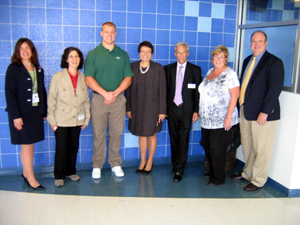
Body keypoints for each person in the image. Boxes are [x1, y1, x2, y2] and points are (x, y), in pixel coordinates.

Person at [231, 30, 284, 191]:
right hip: (246, 110)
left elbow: (275, 89)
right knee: (247, 146)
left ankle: (259, 179)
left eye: (260, 41)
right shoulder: (248, 60)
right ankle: (248, 173)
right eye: (254, 41)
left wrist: (265, 111)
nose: (256, 44)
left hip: (263, 114)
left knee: (262, 149)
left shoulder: (274, 62)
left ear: (266, 43)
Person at [84, 22, 133, 179]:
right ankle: (97, 165)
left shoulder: (123, 54)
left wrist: (115, 94)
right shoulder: (93, 54)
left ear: (116, 34)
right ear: (101, 33)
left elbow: (128, 78)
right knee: (98, 134)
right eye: (106, 32)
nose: (109, 35)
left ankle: (115, 163)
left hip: (118, 100)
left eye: (112, 32)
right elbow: (88, 79)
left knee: (116, 133)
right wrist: (105, 94)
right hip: (99, 100)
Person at [5, 38, 47, 190]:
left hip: (35, 112)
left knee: (31, 144)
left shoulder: (37, 68)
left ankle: (25, 172)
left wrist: (43, 111)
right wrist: (16, 116)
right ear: (17, 52)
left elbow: (41, 90)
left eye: (27, 48)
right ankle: (31, 178)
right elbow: (10, 94)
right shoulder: (13, 69)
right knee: (27, 145)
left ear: (32, 50)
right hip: (21, 114)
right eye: (21, 49)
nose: (24, 51)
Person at [47, 47, 90, 187]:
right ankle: (59, 175)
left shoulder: (83, 78)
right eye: (71, 56)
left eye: (77, 56)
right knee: (61, 148)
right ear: (66, 59)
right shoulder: (57, 77)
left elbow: (86, 100)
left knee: (73, 147)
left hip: (77, 119)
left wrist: (86, 118)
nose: (74, 59)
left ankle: (71, 171)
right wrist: (51, 120)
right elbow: (51, 99)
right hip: (61, 120)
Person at [198, 45, 240, 187]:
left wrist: (228, 118)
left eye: (221, 56)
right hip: (207, 120)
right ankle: (213, 171)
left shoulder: (230, 74)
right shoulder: (210, 72)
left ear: (226, 59)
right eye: (216, 56)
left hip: (222, 120)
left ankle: (218, 177)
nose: (218, 59)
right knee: (206, 144)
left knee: (217, 148)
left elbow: (235, 97)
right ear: (212, 58)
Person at [125, 41, 166, 174]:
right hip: (137, 107)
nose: (145, 54)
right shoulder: (133, 67)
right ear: (139, 53)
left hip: (153, 108)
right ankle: (142, 161)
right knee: (141, 134)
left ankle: (150, 161)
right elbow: (128, 90)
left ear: (152, 54)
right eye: (143, 51)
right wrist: (129, 108)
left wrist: (162, 111)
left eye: (148, 52)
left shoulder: (158, 68)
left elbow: (163, 91)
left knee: (151, 133)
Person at [164, 42, 202, 182]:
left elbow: (198, 93)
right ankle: (175, 164)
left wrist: (196, 111)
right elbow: (164, 91)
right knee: (173, 138)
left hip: (187, 111)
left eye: (183, 52)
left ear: (188, 53)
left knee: (183, 139)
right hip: (172, 109)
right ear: (175, 54)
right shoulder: (168, 69)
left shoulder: (195, 70)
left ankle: (180, 170)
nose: (181, 55)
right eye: (178, 52)